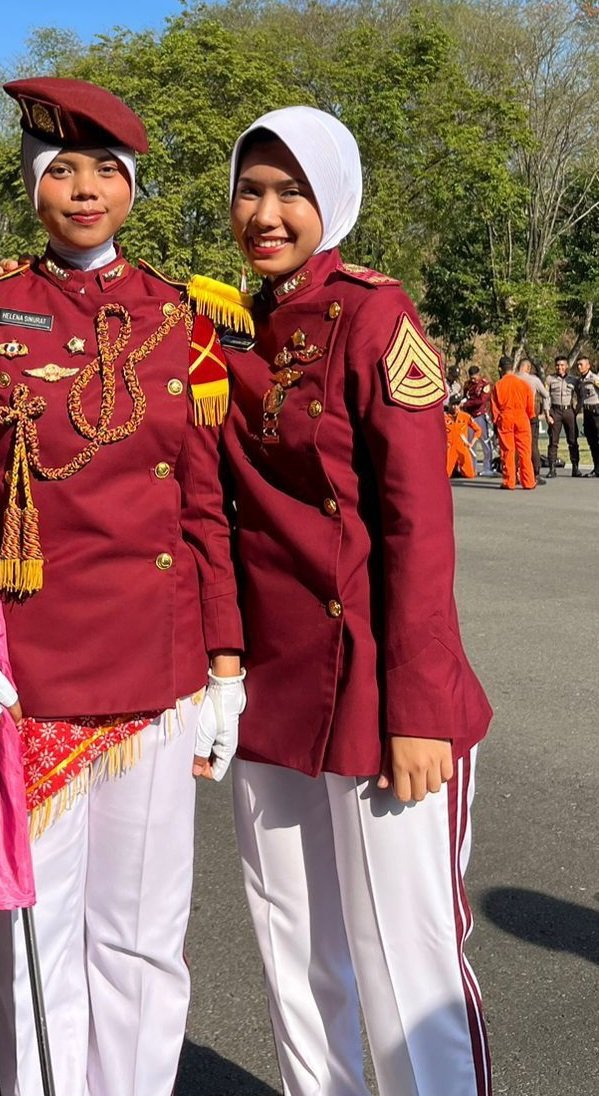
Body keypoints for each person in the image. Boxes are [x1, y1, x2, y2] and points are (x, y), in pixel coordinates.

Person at [0, 78, 246, 1096]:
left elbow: (205, 512)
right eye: (63, 170)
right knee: (35, 942)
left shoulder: (185, 322)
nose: (86, 190)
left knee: (143, 940)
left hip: (158, 673)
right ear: (34, 186)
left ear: (131, 189)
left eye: (107, 171)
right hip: (28, 673)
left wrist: (226, 667)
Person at [222, 107, 492, 1096]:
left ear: (333, 199)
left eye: (291, 192)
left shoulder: (378, 316)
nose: (266, 214)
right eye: (250, 190)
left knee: (405, 967)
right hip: (273, 691)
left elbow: (419, 529)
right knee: (295, 958)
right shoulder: (228, 328)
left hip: (381, 694)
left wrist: (420, 710)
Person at [492, 357, 537, 490]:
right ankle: (528, 481)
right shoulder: (523, 384)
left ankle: (509, 481)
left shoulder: (498, 385)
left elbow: (494, 408)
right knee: (525, 451)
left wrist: (496, 421)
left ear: (500, 369)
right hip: (522, 418)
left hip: (506, 418)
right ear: (513, 367)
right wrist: (529, 416)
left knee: (508, 451)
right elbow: (530, 405)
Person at [515, 357, 551, 481]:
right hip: (530, 414)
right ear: (528, 368)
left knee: (516, 444)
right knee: (532, 443)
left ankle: (515, 472)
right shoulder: (533, 380)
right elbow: (546, 395)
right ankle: (535, 472)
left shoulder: (512, 379)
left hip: (516, 414)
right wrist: (546, 410)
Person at [545, 355, 580, 477]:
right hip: (555, 411)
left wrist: (577, 410)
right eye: (557, 365)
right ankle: (552, 469)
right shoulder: (550, 379)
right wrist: (547, 414)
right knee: (553, 441)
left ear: (567, 366)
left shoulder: (573, 380)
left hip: (569, 411)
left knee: (573, 440)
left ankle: (575, 468)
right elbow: (546, 397)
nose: (559, 367)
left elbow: (581, 395)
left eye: (562, 365)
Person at [462, 364, 494, 475]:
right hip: (470, 416)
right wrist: (464, 403)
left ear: (479, 375)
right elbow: (464, 397)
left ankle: (487, 467)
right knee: (471, 443)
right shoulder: (467, 385)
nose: (473, 380)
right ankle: (472, 468)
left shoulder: (485, 384)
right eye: (471, 378)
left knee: (485, 442)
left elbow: (481, 400)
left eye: (475, 378)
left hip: (480, 415)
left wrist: (466, 403)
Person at [574, 355, 599, 475]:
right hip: (587, 413)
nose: (579, 367)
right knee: (592, 442)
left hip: (596, 412)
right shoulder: (579, 381)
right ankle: (597, 468)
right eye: (578, 365)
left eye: (581, 364)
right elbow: (580, 398)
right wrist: (575, 411)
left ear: (588, 366)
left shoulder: (594, 378)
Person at [445, 403, 482, 478]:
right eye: (453, 404)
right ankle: (453, 470)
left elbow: (478, 430)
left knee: (470, 475)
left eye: (457, 404)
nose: (455, 407)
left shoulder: (465, 416)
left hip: (462, 447)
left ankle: (459, 470)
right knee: (446, 474)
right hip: (450, 447)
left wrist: (472, 442)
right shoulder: (444, 417)